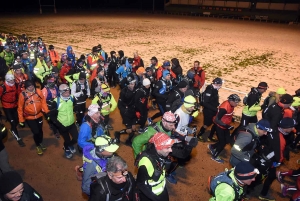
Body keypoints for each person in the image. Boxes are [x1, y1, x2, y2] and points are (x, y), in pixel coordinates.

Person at [136, 132, 175, 201]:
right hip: (151, 195)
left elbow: (181, 155)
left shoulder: (162, 154)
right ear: (158, 148)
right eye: (167, 148)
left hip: (162, 189)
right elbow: (140, 183)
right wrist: (154, 198)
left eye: (170, 147)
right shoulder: (145, 162)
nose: (171, 150)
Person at [17, 80, 49, 155]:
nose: (31, 88)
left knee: (40, 131)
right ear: (26, 87)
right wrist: (21, 120)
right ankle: (37, 145)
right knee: (36, 132)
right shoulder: (23, 95)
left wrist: (47, 112)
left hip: (39, 115)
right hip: (30, 117)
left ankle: (40, 142)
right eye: (29, 86)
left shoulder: (38, 91)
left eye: (32, 86)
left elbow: (43, 102)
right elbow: (20, 108)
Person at [208, 94, 241, 164]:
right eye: (236, 102)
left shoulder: (231, 105)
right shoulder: (224, 108)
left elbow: (227, 115)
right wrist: (227, 126)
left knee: (227, 140)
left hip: (225, 125)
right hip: (220, 126)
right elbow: (217, 120)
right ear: (231, 101)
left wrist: (230, 119)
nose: (237, 104)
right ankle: (214, 156)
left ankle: (212, 146)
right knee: (222, 142)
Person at [49, 84, 78, 159]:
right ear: (61, 93)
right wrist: (59, 126)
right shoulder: (56, 102)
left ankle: (68, 145)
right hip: (62, 125)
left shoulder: (72, 98)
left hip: (71, 123)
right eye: (66, 92)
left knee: (76, 138)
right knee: (67, 139)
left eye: (68, 91)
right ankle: (67, 148)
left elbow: (75, 105)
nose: (68, 93)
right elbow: (51, 116)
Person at [0, 74, 24, 146]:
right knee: (13, 123)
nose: (12, 81)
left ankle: (13, 128)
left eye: (12, 80)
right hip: (7, 106)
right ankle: (17, 137)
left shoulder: (16, 85)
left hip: (15, 105)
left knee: (17, 119)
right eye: (10, 80)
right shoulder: (2, 88)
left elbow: (20, 94)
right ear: (6, 80)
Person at [197, 77, 223, 142]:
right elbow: (205, 103)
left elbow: (214, 99)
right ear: (216, 84)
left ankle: (210, 136)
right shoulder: (209, 90)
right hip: (208, 111)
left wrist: (218, 104)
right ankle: (199, 135)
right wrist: (215, 109)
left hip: (213, 110)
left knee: (214, 123)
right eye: (220, 85)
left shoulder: (214, 90)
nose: (220, 86)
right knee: (206, 124)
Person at [114, 74, 137, 146]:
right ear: (128, 84)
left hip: (133, 111)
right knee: (129, 129)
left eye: (133, 83)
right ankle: (118, 133)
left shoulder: (136, 89)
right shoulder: (123, 92)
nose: (133, 85)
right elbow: (119, 104)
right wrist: (124, 111)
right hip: (126, 113)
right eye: (131, 84)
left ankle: (129, 140)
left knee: (133, 128)